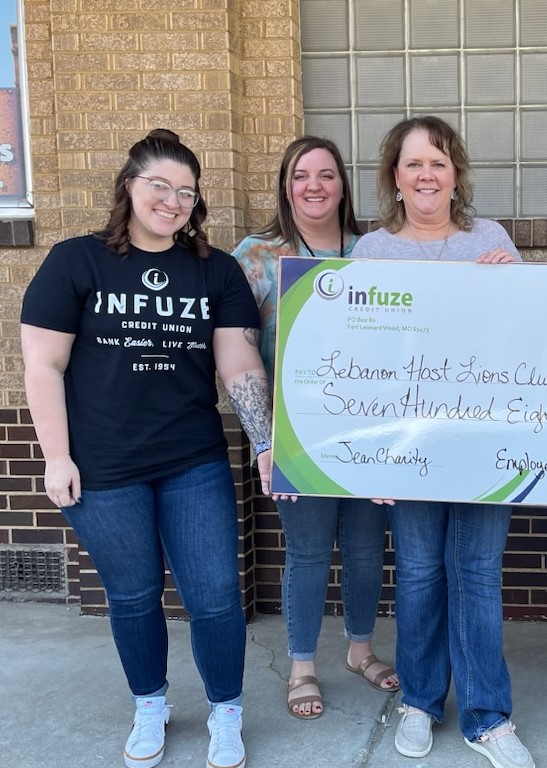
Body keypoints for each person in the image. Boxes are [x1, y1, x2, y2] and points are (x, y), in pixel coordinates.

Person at [21, 129, 271, 768]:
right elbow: (43, 365)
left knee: (214, 594)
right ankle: (150, 704)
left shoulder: (215, 271)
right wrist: (56, 457)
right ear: (128, 186)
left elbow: (239, 363)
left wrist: (266, 444)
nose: (173, 200)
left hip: (193, 460)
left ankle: (226, 711)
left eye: (186, 191)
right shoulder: (75, 261)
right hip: (103, 467)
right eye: (159, 184)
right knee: (132, 595)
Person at [351, 116, 534, 768]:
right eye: (411, 164)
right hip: (409, 446)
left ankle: (488, 717)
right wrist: (369, 454)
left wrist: (511, 286)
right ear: (393, 179)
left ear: (455, 173)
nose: (425, 175)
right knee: (422, 576)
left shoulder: (489, 240)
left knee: (478, 577)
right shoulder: (370, 252)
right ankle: (421, 702)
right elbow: (355, 357)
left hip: (483, 441)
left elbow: (525, 341)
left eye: (437, 162)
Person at [232, 135, 399, 720]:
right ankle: (302, 666)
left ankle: (360, 651)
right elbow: (236, 351)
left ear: (343, 185)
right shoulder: (256, 256)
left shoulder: (375, 249)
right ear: (285, 184)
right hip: (294, 433)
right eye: (302, 175)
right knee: (306, 551)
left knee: (363, 546)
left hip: (370, 432)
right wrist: (263, 439)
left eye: (327, 175)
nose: (314, 186)